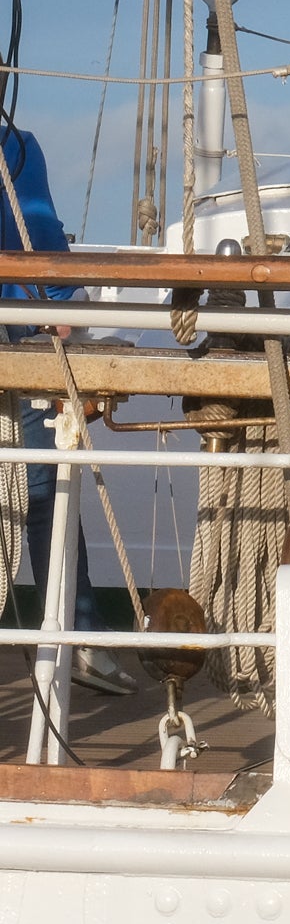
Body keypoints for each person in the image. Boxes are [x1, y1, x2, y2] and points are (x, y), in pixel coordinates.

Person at [0, 127, 129, 695]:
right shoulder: (16, 146)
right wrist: (57, 303)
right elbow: (41, 242)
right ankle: (78, 638)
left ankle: (78, 636)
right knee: (44, 494)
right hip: (15, 340)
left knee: (41, 492)